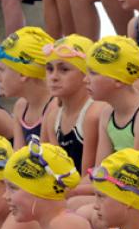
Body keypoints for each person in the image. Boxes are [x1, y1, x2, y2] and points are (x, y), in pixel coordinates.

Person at [40, 34, 106, 179]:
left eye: (64, 70)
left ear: (85, 74)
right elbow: (53, 171)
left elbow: (88, 177)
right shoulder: (53, 117)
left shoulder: (94, 113)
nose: (54, 77)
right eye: (50, 69)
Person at [88, 35, 139, 161]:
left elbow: (135, 171)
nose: (85, 80)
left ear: (118, 80)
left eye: (93, 73)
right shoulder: (107, 113)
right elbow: (100, 167)